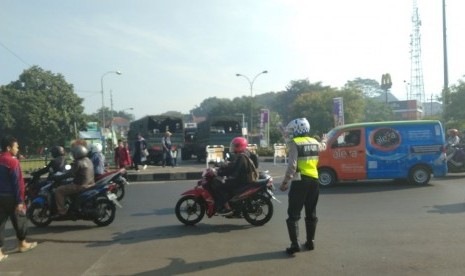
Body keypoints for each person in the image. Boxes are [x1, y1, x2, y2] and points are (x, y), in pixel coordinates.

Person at [279, 118, 326, 256]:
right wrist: (325, 139)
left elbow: (292, 166)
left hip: (300, 182)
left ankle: (295, 245)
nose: (291, 133)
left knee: (293, 215)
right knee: (311, 213)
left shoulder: (295, 143)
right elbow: (323, 146)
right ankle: (310, 242)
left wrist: (285, 182)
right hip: (314, 181)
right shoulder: (314, 142)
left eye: (293, 131)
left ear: (298, 131)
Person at [0, 136, 37, 260]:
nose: (17, 149)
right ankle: (22, 244)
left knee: (0, 224)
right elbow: (17, 183)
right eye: (16, 146)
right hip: (11, 197)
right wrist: (20, 200)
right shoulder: (12, 162)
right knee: (20, 220)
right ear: (8, 148)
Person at [214, 137, 257, 215]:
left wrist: (219, 173)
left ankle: (227, 208)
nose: (233, 147)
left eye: (235, 146)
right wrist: (224, 167)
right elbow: (233, 166)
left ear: (240, 146)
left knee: (220, 186)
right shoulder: (242, 155)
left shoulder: (241, 157)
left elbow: (233, 170)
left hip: (240, 181)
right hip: (241, 179)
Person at [53, 144, 95, 217]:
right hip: (91, 184)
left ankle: (62, 212)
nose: (73, 155)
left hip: (80, 185)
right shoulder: (88, 160)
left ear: (78, 153)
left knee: (59, 190)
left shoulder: (79, 162)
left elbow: (70, 174)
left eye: (74, 153)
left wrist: (59, 177)